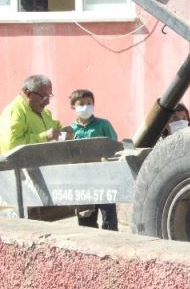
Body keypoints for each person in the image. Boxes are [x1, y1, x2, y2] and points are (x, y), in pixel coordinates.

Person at [69, 89, 119, 231]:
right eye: (81, 103)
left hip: (103, 177)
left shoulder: (103, 125)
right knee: (86, 220)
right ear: (73, 106)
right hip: (81, 180)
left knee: (109, 216)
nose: (86, 106)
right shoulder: (70, 130)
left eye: (89, 103)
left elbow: (114, 146)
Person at [0, 74, 72, 154]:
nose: (48, 102)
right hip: (21, 165)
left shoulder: (44, 111)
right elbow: (11, 146)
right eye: (44, 96)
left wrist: (64, 131)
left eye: (49, 96)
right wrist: (45, 137)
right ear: (28, 93)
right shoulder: (14, 112)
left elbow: (54, 129)